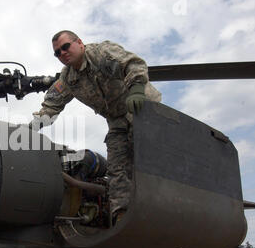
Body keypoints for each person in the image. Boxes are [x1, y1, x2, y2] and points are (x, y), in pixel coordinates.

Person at [30, 30, 161, 224]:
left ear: (80, 43)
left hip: (143, 109)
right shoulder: (68, 79)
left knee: (146, 159)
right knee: (117, 167)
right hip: (116, 120)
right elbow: (51, 106)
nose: (62, 53)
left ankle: (160, 207)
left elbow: (133, 64)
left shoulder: (101, 54)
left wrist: (136, 89)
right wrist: (31, 129)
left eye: (66, 47)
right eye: (57, 53)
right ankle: (121, 217)